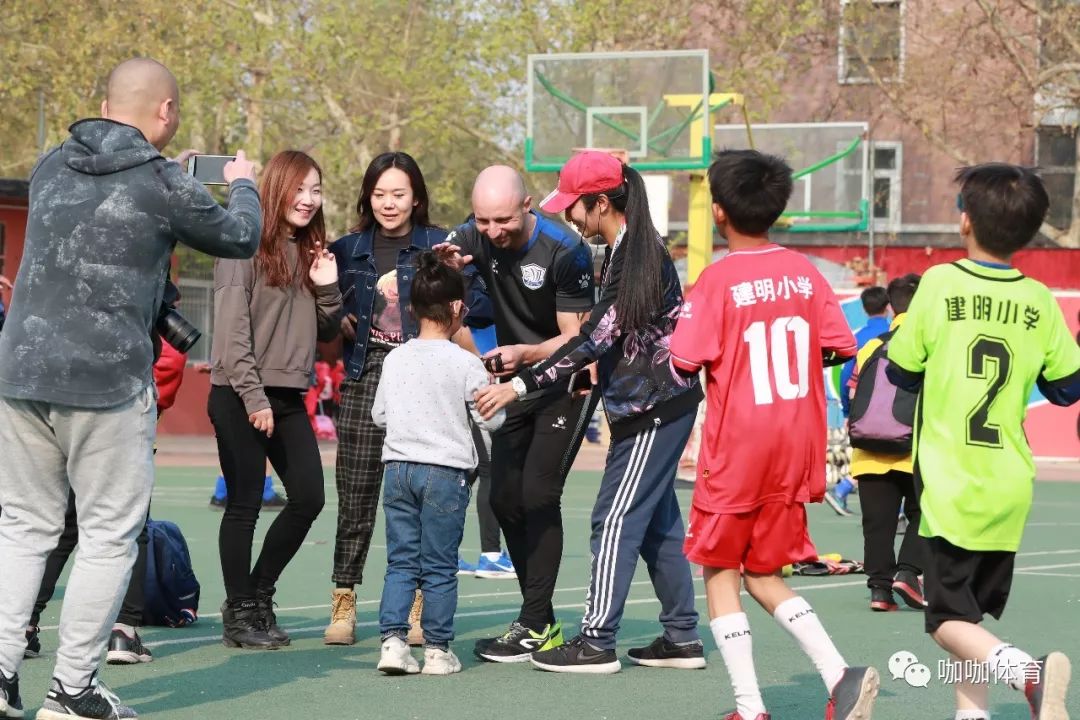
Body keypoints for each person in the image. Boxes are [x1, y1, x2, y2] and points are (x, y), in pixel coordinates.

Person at [0, 57, 260, 720]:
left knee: (23, 528)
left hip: (21, 371)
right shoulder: (160, 178)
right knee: (110, 533)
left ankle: (1, 676)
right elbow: (239, 236)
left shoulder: (52, 163)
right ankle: (72, 690)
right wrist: (243, 185)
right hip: (105, 379)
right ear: (165, 112)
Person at [475, 150, 705, 674]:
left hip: (654, 409)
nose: (568, 217)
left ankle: (596, 641)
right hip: (647, 407)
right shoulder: (628, 248)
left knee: (615, 518)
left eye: (574, 208)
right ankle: (682, 636)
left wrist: (520, 385)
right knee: (657, 523)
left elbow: (592, 338)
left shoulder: (638, 257)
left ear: (601, 203)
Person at [669, 149, 878, 720]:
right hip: (796, 446)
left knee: (719, 572)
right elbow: (840, 345)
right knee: (762, 571)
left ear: (717, 212)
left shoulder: (715, 281)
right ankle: (840, 674)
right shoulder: (807, 274)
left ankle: (749, 707)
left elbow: (683, 361)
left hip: (740, 447)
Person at [886, 163, 1080, 720]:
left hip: (952, 485)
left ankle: (1028, 673)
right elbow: (1066, 388)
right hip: (1008, 485)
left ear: (964, 220)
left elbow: (901, 370)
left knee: (944, 621)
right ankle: (973, 714)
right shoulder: (1040, 300)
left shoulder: (942, 283)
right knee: (968, 622)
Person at [324, 152, 493, 646]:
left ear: (416, 197)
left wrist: (458, 270)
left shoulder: (438, 244)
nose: (388, 204)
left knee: (425, 498)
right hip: (365, 373)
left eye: (398, 194)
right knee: (355, 496)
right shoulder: (346, 247)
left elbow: (475, 304)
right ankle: (344, 602)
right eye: (379, 194)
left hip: (428, 372)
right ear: (367, 197)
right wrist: (339, 316)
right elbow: (324, 312)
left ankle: (418, 608)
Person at [434, 165, 597, 663]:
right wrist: (444, 269)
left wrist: (524, 354)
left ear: (527, 206)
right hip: (513, 386)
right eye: (483, 221)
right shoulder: (471, 234)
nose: (491, 232)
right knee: (503, 497)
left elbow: (577, 340)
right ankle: (539, 621)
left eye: (503, 220)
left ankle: (535, 621)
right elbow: (433, 285)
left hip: (563, 382)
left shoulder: (566, 250)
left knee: (538, 493)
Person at [208, 149, 340, 650]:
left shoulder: (310, 252)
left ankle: (258, 595)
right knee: (244, 504)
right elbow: (231, 335)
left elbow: (327, 331)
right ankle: (240, 612)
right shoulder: (240, 244)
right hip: (239, 393)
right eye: (298, 189)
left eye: (316, 190)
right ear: (274, 188)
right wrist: (253, 396)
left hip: (286, 396)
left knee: (308, 497)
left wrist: (328, 288)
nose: (307, 201)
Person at [373, 252, 506, 676]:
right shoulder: (466, 363)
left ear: (412, 309)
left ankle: (393, 644)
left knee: (401, 561)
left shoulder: (395, 359)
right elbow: (494, 417)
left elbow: (379, 415)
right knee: (439, 565)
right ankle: (436, 650)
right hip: (445, 472)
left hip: (397, 468)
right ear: (455, 309)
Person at [22, 337, 191, 667]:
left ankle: (25, 627)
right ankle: (123, 631)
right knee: (132, 523)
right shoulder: (141, 287)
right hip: (119, 406)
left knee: (64, 523)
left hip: (66, 402)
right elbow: (171, 355)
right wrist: (151, 406)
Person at [847, 273, 927, 612]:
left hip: (869, 448)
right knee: (927, 513)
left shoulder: (871, 345)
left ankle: (880, 592)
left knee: (877, 525)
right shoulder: (931, 343)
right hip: (915, 448)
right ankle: (908, 572)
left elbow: (853, 391)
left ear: (891, 306)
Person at [828, 285, 892, 516]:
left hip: (864, 405)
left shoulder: (858, 338)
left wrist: (847, 410)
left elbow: (847, 375)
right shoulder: (895, 334)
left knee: (871, 453)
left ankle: (844, 487)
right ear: (888, 307)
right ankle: (844, 487)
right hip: (894, 405)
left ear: (865, 309)